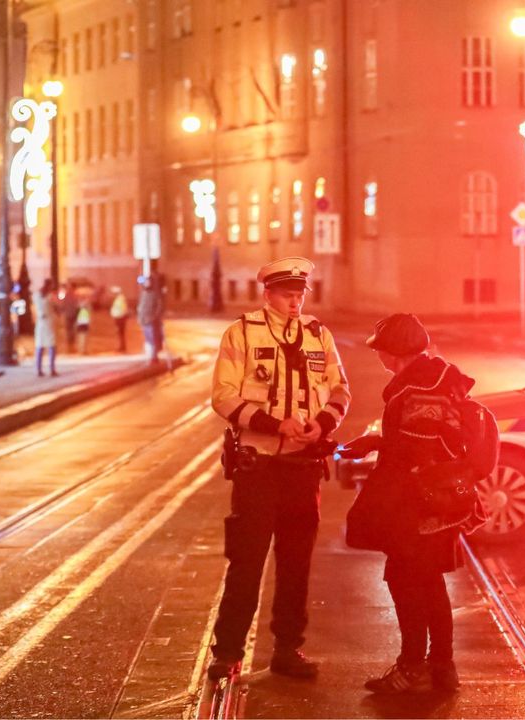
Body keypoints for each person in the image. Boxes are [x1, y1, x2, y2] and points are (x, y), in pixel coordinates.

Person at [206, 256, 351, 682]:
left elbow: (341, 390)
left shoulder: (317, 335)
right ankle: (228, 651)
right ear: (268, 294)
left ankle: (288, 649)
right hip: (258, 468)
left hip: (303, 468)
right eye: (287, 295)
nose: (295, 302)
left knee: (296, 565)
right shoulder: (243, 333)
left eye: (300, 295)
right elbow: (223, 396)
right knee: (247, 562)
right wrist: (274, 424)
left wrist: (320, 424)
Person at [339, 314, 483, 695]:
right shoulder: (438, 376)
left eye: (381, 348)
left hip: (419, 502)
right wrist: (376, 442)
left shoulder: (420, 386)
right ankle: (442, 668)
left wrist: (374, 444)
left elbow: (414, 446)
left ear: (395, 352)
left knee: (406, 582)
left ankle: (413, 666)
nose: (378, 355)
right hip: (442, 498)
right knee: (429, 582)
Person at [33, 279, 59, 377]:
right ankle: (52, 369)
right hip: (49, 322)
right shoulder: (51, 297)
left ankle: (38, 369)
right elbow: (57, 307)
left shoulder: (36, 296)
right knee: (51, 346)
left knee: (39, 346)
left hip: (40, 323)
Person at [137, 276, 165, 363]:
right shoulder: (143, 293)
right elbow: (140, 307)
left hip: (151, 321)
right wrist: (139, 317)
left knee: (153, 339)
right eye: (146, 282)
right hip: (144, 320)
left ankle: (154, 356)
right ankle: (151, 355)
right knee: (148, 339)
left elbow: (159, 307)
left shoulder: (155, 294)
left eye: (148, 282)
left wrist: (154, 317)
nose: (147, 284)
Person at [109, 286, 130, 353]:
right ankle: (121, 347)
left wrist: (116, 315)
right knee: (120, 334)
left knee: (120, 333)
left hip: (120, 318)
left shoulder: (120, 299)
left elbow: (121, 309)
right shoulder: (119, 298)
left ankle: (122, 347)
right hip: (119, 317)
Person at [60, 284, 80, 351]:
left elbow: (63, 305)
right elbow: (77, 306)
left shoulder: (67, 296)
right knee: (71, 330)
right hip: (72, 315)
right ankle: (71, 343)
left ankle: (70, 343)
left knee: (69, 329)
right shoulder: (75, 296)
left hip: (69, 315)